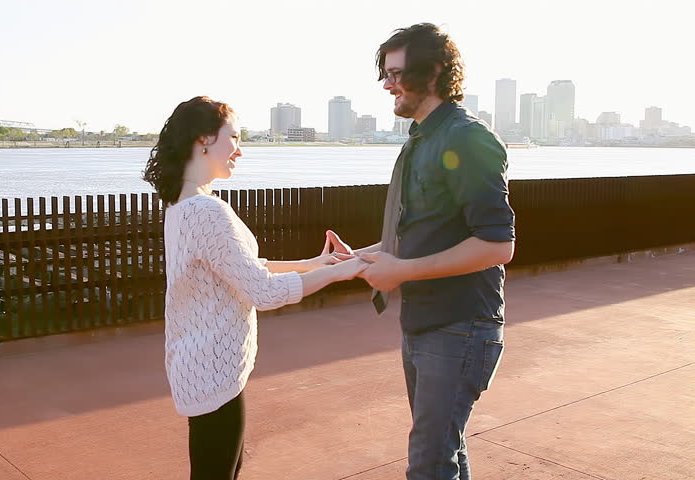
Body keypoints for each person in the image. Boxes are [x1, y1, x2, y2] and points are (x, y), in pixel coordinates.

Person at [142, 96, 368, 480]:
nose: (240, 150)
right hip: (213, 373)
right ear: (204, 141)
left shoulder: (184, 205)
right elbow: (262, 292)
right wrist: (340, 273)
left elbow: (242, 270)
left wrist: (314, 264)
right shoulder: (206, 211)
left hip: (200, 367)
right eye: (235, 136)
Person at [329, 24, 516, 479]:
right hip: (427, 324)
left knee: (430, 464)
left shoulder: (466, 138)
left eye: (396, 73)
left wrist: (401, 271)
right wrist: (361, 259)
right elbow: (416, 235)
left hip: (461, 326)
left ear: (433, 71)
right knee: (445, 454)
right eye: (385, 74)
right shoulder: (422, 139)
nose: (386, 84)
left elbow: (498, 244)